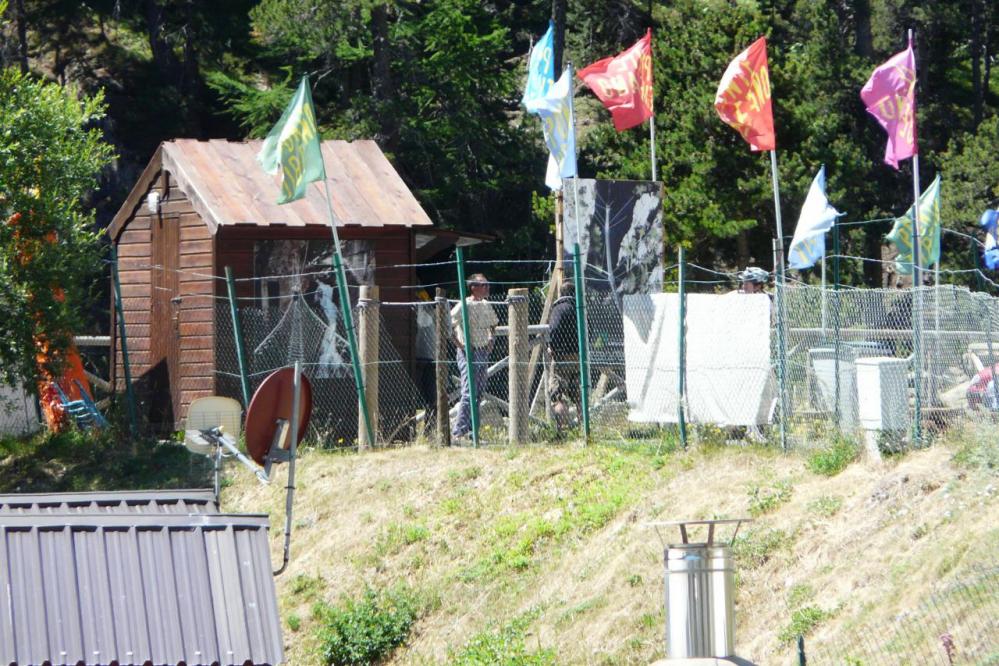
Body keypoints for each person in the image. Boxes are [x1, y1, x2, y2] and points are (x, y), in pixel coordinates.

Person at [450, 273, 498, 440]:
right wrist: (461, 344)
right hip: (467, 353)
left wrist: (491, 338)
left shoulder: (486, 305)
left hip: (482, 350)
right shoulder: (463, 305)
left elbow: (493, 324)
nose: (487, 288)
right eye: (483, 285)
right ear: (473, 288)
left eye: (487, 285)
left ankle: (472, 431)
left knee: (478, 392)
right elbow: (449, 324)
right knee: (468, 392)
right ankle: (459, 431)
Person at [547, 280, 581, 425]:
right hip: (578, 356)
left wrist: (552, 347)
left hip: (561, 356)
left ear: (561, 293)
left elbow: (553, 329)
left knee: (558, 395)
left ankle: (562, 430)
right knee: (578, 394)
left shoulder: (559, 308)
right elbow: (589, 330)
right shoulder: (580, 308)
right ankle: (583, 426)